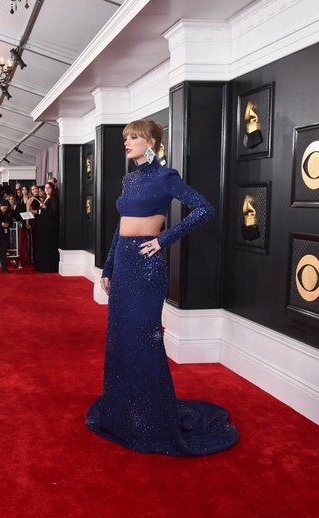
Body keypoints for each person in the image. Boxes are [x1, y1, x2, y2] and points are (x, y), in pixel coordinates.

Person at [85, 118, 238, 456]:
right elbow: (120, 227)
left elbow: (204, 209)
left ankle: (154, 421)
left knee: (144, 340)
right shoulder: (129, 179)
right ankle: (124, 413)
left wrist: (163, 240)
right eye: (126, 137)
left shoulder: (165, 176)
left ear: (151, 141)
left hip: (146, 267)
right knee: (121, 340)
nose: (127, 142)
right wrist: (108, 267)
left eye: (135, 137)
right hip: (123, 265)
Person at [33, 181, 60, 272]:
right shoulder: (45, 198)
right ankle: (42, 266)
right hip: (42, 226)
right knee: (43, 246)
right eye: (45, 188)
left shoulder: (53, 199)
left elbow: (54, 212)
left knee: (48, 246)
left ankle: (48, 267)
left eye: (49, 188)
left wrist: (45, 207)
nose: (47, 189)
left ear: (52, 189)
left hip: (49, 227)